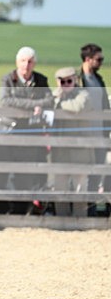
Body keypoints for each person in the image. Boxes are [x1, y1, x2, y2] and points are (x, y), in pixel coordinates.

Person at [0, 46, 54, 215]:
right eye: (23, 61)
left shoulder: (41, 80)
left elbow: (49, 100)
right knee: (2, 173)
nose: (26, 65)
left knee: (24, 174)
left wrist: (37, 105)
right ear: (17, 62)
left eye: (30, 61)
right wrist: (33, 105)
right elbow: (5, 101)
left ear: (34, 63)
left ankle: (20, 212)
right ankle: (1, 210)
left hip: (29, 133)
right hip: (7, 131)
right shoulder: (8, 79)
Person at [51, 67, 97, 216]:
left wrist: (58, 104)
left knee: (79, 188)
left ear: (75, 80)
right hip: (60, 151)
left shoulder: (84, 94)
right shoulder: (56, 96)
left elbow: (77, 107)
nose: (66, 84)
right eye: (62, 81)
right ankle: (62, 220)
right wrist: (56, 98)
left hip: (80, 151)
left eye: (69, 81)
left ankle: (79, 220)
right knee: (60, 187)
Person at [78, 43, 109, 215]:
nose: (101, 62)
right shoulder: (77, 80)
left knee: (97, 172)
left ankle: (92, 208)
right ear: (88, 59)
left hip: (100, 134)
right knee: (83, 173)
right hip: (83, 134)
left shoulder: (99, 80)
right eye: (99, 59)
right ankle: (81, 208)